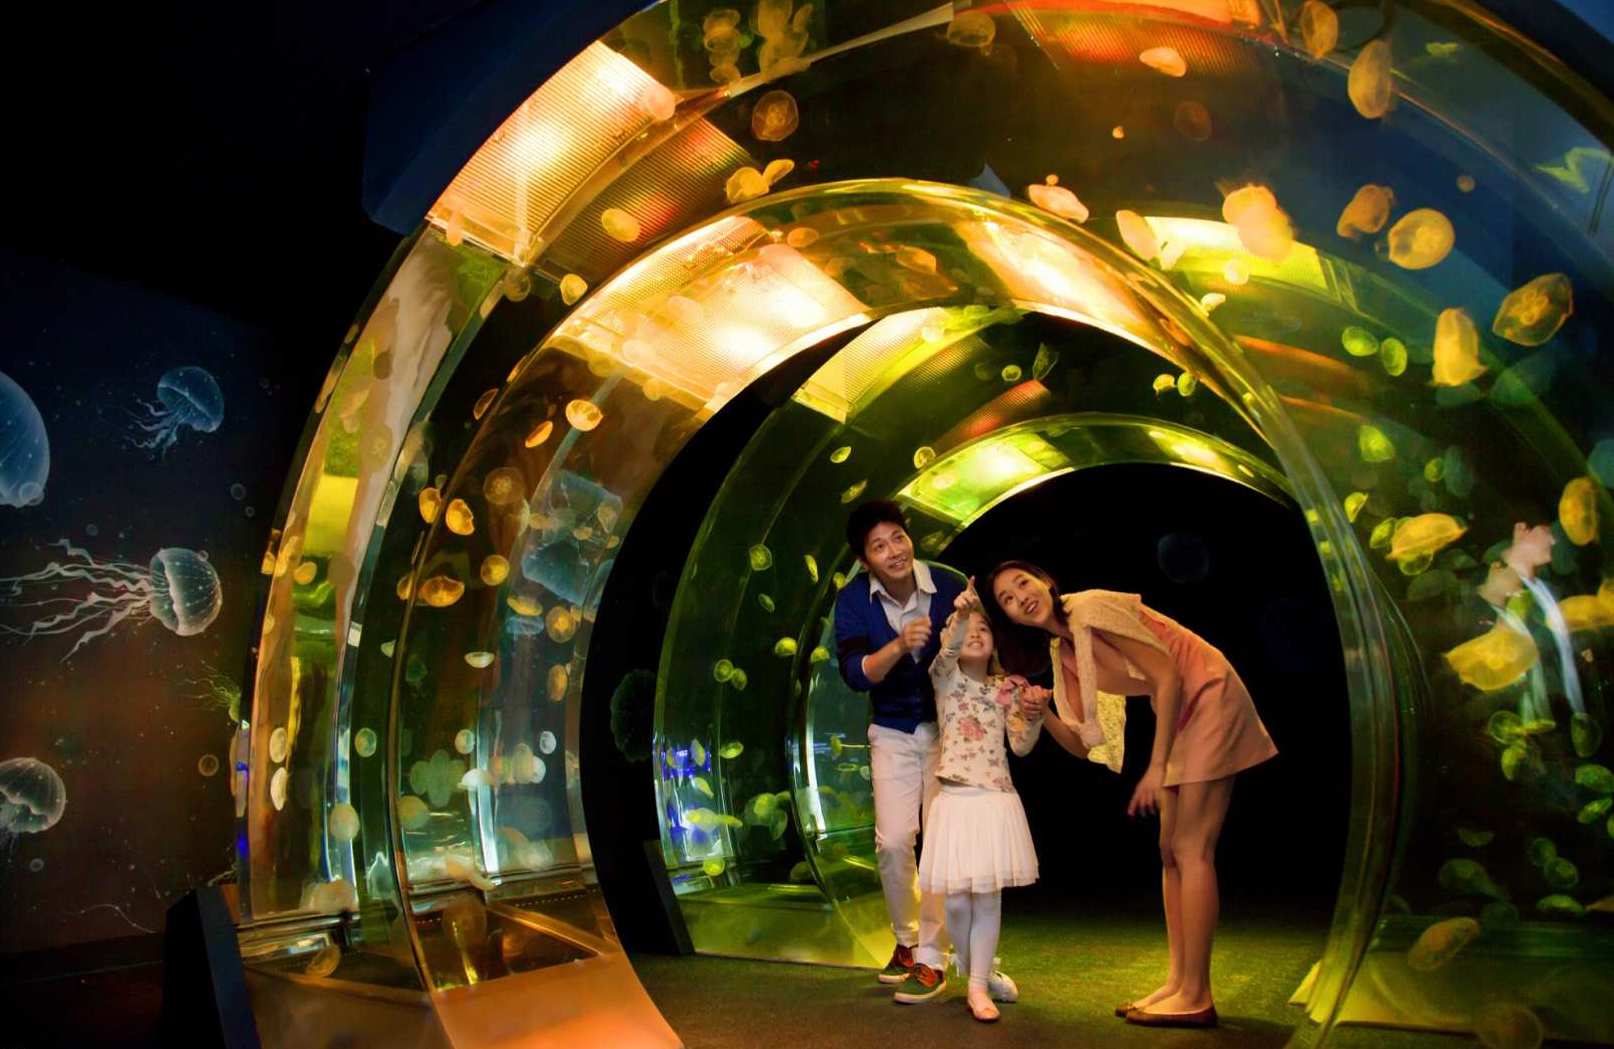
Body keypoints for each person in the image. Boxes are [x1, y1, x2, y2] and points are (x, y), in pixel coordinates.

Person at [982, 560, 1278, 1030]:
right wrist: (1042, 713)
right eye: (1008, 599)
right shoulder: (1065, 651)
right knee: (1169, 851)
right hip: (1179, 712)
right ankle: (1179, 982)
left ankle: (1197, 994)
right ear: (1010, 617)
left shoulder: (1089, 608)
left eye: (1024, 583)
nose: (1022, 598)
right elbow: (1082, 743)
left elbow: (1168, 675)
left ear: (1046, 581)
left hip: (1206, 692)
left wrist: (1156, 768)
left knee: (1191, 848)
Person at [833, 501, 1016, 1005]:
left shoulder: (947, 583)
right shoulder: (853, 600)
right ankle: (907, 941)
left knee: (943, 844)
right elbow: (854, 674)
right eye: (879, 546)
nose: (893, 550)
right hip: (891, 729)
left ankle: (935, 957)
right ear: (864, 560)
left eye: (898, 537)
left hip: (949, 731)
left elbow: (983, 643)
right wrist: (898, 645)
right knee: (894, 841)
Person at [915, 578, 1044, 1022]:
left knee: (987, 898)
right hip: (954, 802)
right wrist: (964, 612)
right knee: (955, 901)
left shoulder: (1006, 688)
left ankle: (975, 986)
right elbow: (946, 651)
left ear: (995, 643)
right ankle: (979, 972)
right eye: (967, 629)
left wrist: (1034, 715)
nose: (974, 634)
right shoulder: (945, 680)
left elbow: (1021, 745)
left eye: (983, 629)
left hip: (993, 799)